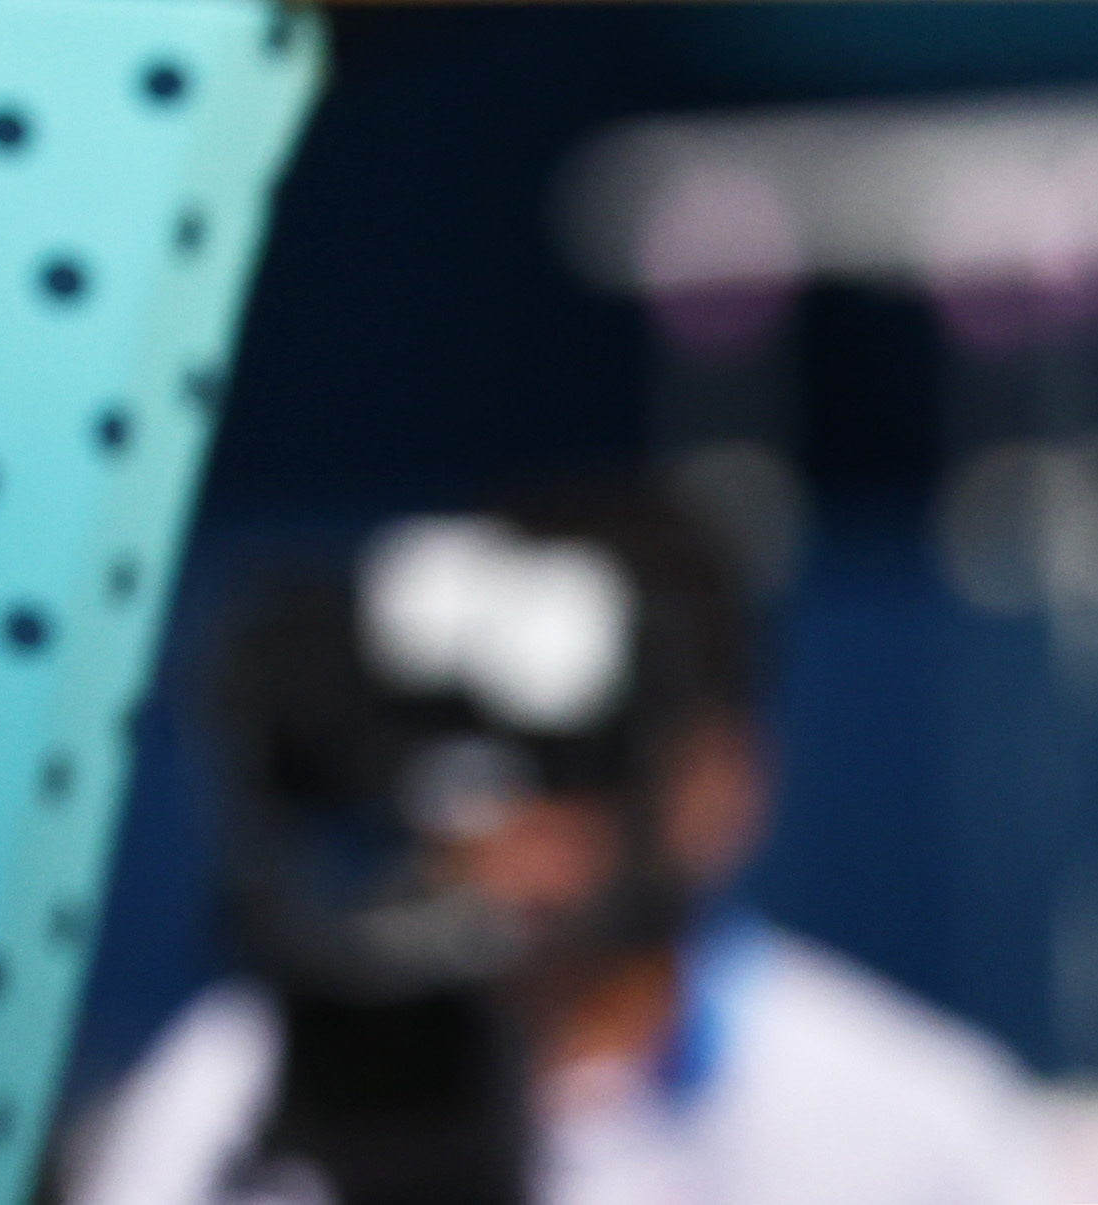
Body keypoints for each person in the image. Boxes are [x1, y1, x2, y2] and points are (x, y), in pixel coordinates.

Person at [67, 480, 1056, 1205]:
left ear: (720, 780)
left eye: (578, 752)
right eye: (468, 738)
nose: (520, 807)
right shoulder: (239, 1081)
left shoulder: (910, 1120)